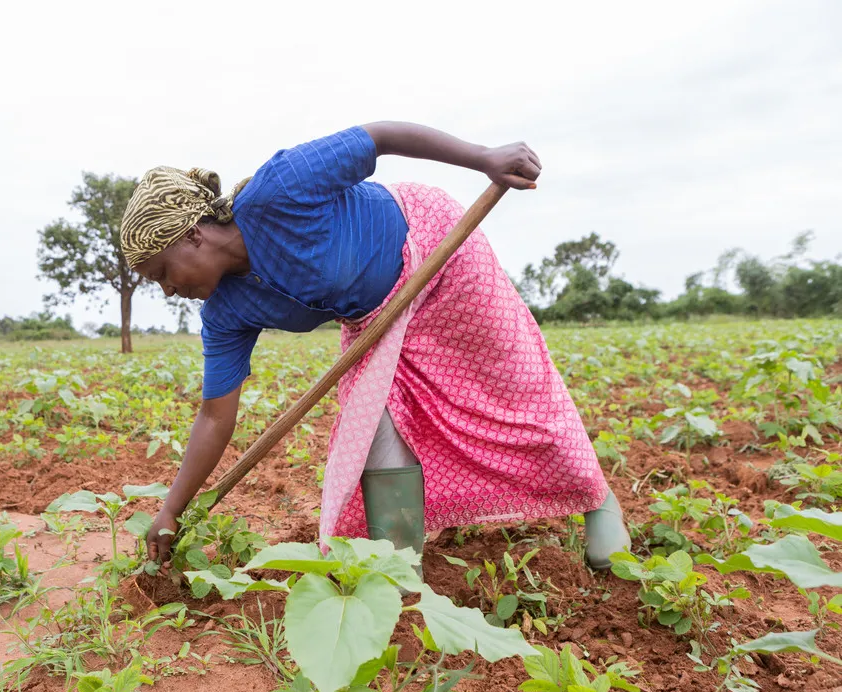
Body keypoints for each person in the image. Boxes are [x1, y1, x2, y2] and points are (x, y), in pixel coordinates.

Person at [120, 121, 630, 577]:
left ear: (192, 236)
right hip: (372, 319)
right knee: (377, 423)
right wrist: (172, 509)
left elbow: (380, 138)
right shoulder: (225, 313)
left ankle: (597, 500)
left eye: (162, 273)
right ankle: (399, 565)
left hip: (435, 249)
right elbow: (215, 416)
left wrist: (483, 158)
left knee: (514, 387)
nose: (167, 290)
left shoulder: (280, 188)